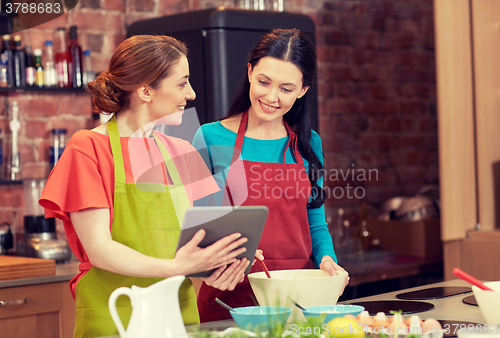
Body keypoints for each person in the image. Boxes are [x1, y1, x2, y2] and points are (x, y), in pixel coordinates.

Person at [39, 35, 250, 337]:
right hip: (115, 313)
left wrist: (223, 260)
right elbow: (99, 249)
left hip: (177, 312)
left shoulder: (182, 150)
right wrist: (175, 267)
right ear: (146, 91)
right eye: (181, 83)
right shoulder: (88, 147)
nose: (190, 94)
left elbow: (200, 239)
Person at [192, 28, 350, 322]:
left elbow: (315, 222)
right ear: (250, 72)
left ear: (303, 90)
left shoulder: (308, 143)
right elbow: (194, 226)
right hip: (230, 298)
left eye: (286, 88)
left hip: (298, 297)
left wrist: (328, 261)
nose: (271, 96)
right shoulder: (208, 137)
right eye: (264, 82)